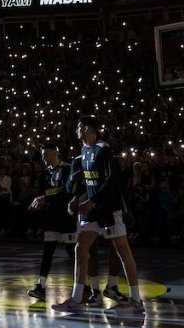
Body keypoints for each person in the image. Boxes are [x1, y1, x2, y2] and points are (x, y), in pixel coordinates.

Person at [52, 115, 144, 314]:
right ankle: (76, 299)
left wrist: (92, 200)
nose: (76, 130)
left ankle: (136, 300)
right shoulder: (83, 152)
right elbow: (89, 182)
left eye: (78, 127)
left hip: (108, 208)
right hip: (92, 210)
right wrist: (78, 200)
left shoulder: (104, 149)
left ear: (86, 128)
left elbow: (113, 180)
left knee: (122, 251)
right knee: (80, 248)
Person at [26, 144, 75, 301]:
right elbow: (44, 193)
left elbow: (66, 191)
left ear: (56, 152)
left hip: (67, 217)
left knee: (72, 252)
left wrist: (44, 198)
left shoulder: (67, 169)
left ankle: (83, 285)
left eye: (46, 154)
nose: (44, 158)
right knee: (48, 251)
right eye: (42, 155)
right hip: (51, 217)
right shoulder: (46, 173)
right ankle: (41, 286)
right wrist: (38, 202)